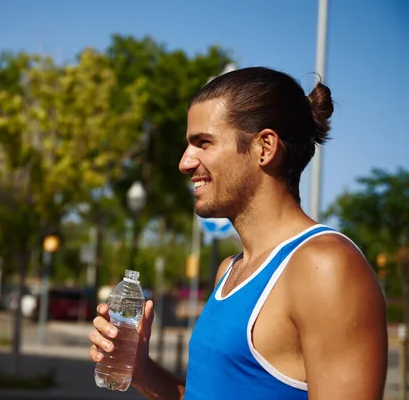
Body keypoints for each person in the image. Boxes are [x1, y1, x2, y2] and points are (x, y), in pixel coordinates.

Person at [89, 67, 388, 399]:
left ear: (264, 147)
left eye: (203, 142)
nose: (185, 162)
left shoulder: (325, 267)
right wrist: (142, 372)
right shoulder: (230, 269)